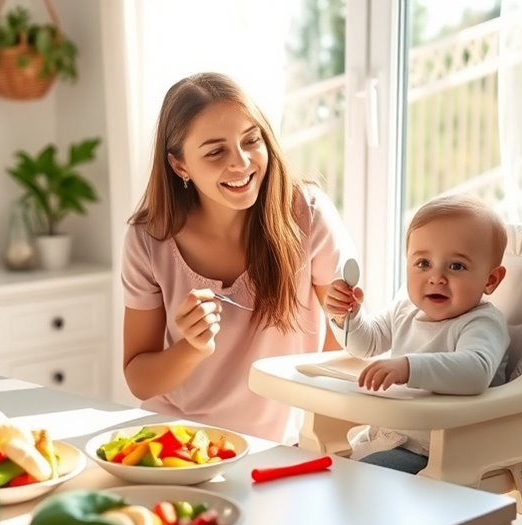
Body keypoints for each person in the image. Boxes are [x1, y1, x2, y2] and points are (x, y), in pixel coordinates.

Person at [121, 72, 355, 443]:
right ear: (180, 166)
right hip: (178, 441)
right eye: (216, 152)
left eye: (251, 140)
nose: (242, 162)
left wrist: (317, 433)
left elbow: (344, 344)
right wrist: (191, 348)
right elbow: (139, 379)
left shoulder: (307, 213)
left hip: (281, 446)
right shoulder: (149, 239)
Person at [325, 193, 509, 474]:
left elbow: (476, 371)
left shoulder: (482, 323)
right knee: (318, 468)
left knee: (358, 479)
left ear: (491, 279)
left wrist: (407, 368)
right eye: (423, 263)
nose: (436, 278)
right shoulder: (405, 310)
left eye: (456, 266)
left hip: (438, 451)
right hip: (391, 437)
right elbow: (366, 343)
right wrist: (346, 316)